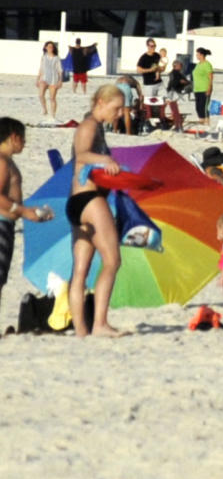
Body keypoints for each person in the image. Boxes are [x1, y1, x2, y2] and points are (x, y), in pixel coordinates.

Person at [68, 85, 127, 337]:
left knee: (81, 270)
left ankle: (82, 330)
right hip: (89, 199)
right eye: (117, 108)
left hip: (78, 202)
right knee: (112, 260)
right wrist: (106, 160)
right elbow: (81, 155)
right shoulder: (89, 125)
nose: (121, 113)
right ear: (101, 101)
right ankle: (100, 323)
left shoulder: (96, 127)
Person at [0, 118, 54, 310]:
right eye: (23, 139)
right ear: (14, 137)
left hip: (7, 222)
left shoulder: (7, 161)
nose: (25, 143)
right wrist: (22, 211)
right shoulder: (3, 162)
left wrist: (27, 212)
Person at [36, 41, 64, 119]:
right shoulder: (44, 57)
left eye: (51, 47)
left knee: (52, 98)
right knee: (41, 95)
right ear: (45, 48)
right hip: (44, 78)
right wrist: (37, 79)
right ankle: (44, 109)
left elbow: (60, 70)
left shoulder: (56, 58)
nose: (50, 48)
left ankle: (53, 114)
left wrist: (60, 81)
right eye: (48, 47)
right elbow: (41, 68)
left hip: (54, 78)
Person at [192, 48, 214, 124]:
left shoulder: (207, 64)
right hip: (197, 89)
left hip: (204, 88)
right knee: (198, 107)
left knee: (204, 106)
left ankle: (206, 121)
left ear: (202, 55)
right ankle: (201, 119)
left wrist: (210, 88)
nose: (196, 56)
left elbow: (211, 77)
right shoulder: (198, 64)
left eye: (197, 54)